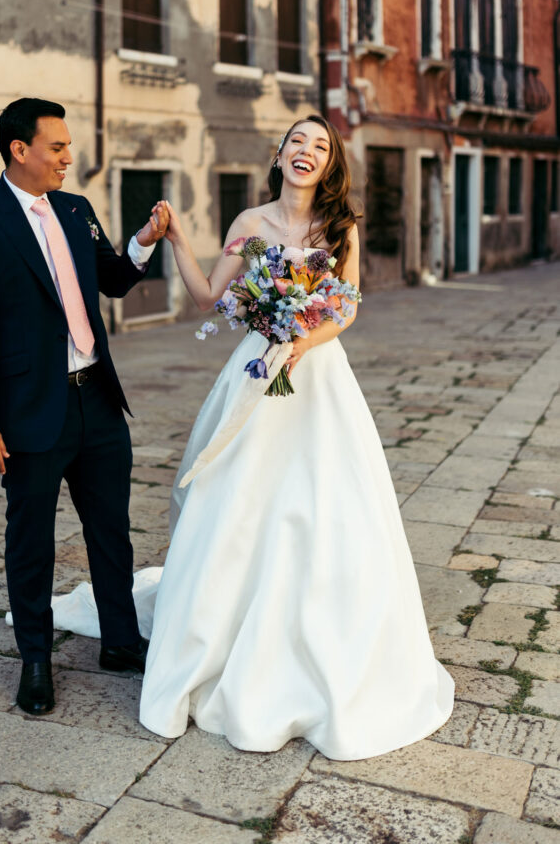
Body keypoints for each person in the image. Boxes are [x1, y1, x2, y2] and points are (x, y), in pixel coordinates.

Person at [51, 114, 454, 760]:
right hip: (253, 367)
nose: (306, 151)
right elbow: (211, 295)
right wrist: (178, 238)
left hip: (313, 375)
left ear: (328, 165)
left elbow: (346, 305)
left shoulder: (340, 227)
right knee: (234, 505)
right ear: (279, 151)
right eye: (298, 140)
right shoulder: (248, 225)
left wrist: (301, 339)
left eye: (319, 147)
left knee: (322, 504)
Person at [0, 97, 168, 717]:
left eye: (68, 146)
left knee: (111, 530)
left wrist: (143, 242)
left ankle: (120, 641)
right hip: (27, 412)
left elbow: (112, 280)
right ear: (21, 150)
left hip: (96, 396)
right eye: (58, 146)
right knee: (32, 539)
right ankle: (35, 659)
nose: (69, 156)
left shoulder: (75, 209)